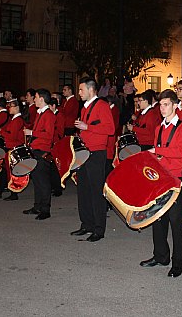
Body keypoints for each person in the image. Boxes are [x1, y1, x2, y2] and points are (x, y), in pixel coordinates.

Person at [140, 89, 182, 278]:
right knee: (157, 218)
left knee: (176, 223)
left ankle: (179, 261)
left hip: (175, 179)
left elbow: (179, 151)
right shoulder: (159, 128)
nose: (162, 108)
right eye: (160, 104)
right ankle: (160, 255)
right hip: (160, 178)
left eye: (166, 104)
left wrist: (158, 150)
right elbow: (158, 155)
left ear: (175, 106)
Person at [70, 77, 115, 242]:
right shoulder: (84, 107)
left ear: (91, 90)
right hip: (83, 153)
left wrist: (87, 127)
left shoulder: (102, 105)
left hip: (96, 153)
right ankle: (86, 224)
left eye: (81, 90)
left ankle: (99, 229)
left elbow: (110, 129)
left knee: (96, 192)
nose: (79, 93)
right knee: (83, 190)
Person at [21, 88, 56, 220]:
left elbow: (48, 135)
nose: (34, 99)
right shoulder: (40, 113)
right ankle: (37, 206)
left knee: (43, 181)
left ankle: (45, 210)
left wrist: (32, 133)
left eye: (35, 97)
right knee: (36, 180)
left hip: (43, 151)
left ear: (41, 99)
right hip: (36, 150)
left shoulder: (49, 115)